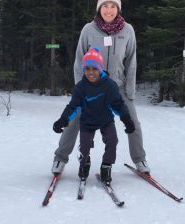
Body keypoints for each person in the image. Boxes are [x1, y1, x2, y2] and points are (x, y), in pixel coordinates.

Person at [52, 0, 150, 175]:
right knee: (74, 120)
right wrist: (80, 90)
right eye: (105, 5)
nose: (109, 10)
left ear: (118, 9)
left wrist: (130, 91)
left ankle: (139, 158)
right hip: (90, 86)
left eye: (113, 6)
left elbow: (131, 62)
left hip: (117, 87)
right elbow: (78, 60)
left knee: (133, 121)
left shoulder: (128, 30)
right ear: (99, 8)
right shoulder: (88, 30)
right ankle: (60, 158)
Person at [53, 48, 135, 184]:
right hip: (87, 121)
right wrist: (63, 120)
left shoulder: (109, 85)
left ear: (100, 69)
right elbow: (73, 106)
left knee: (112, 141)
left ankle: (106, 166)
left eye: (94, 69)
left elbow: (118, 104)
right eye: (87, 69)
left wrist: (127, 120)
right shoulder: (81, 87)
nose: (91, 72)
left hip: (106, 120)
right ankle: (84, 163)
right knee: (84, 147)